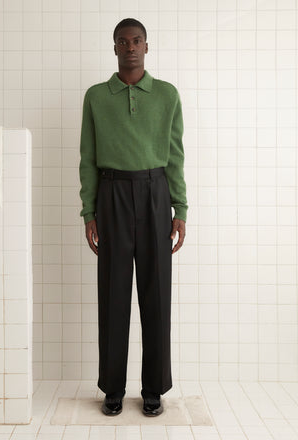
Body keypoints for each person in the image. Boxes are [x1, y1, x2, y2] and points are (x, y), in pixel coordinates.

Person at [79, 18, 188, 417]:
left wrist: (181, 209)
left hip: (156, 193)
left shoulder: (167, 95)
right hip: (110, 194)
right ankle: (112, 387)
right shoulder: (95, 97)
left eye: (136, 40)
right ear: (114, 48)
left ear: (147, 46)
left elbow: (175, 156)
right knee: (113, 292)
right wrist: (88, 211)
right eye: (122, 41)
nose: (130, 47)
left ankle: (154, 388)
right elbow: (87, 159)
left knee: (156, 292)